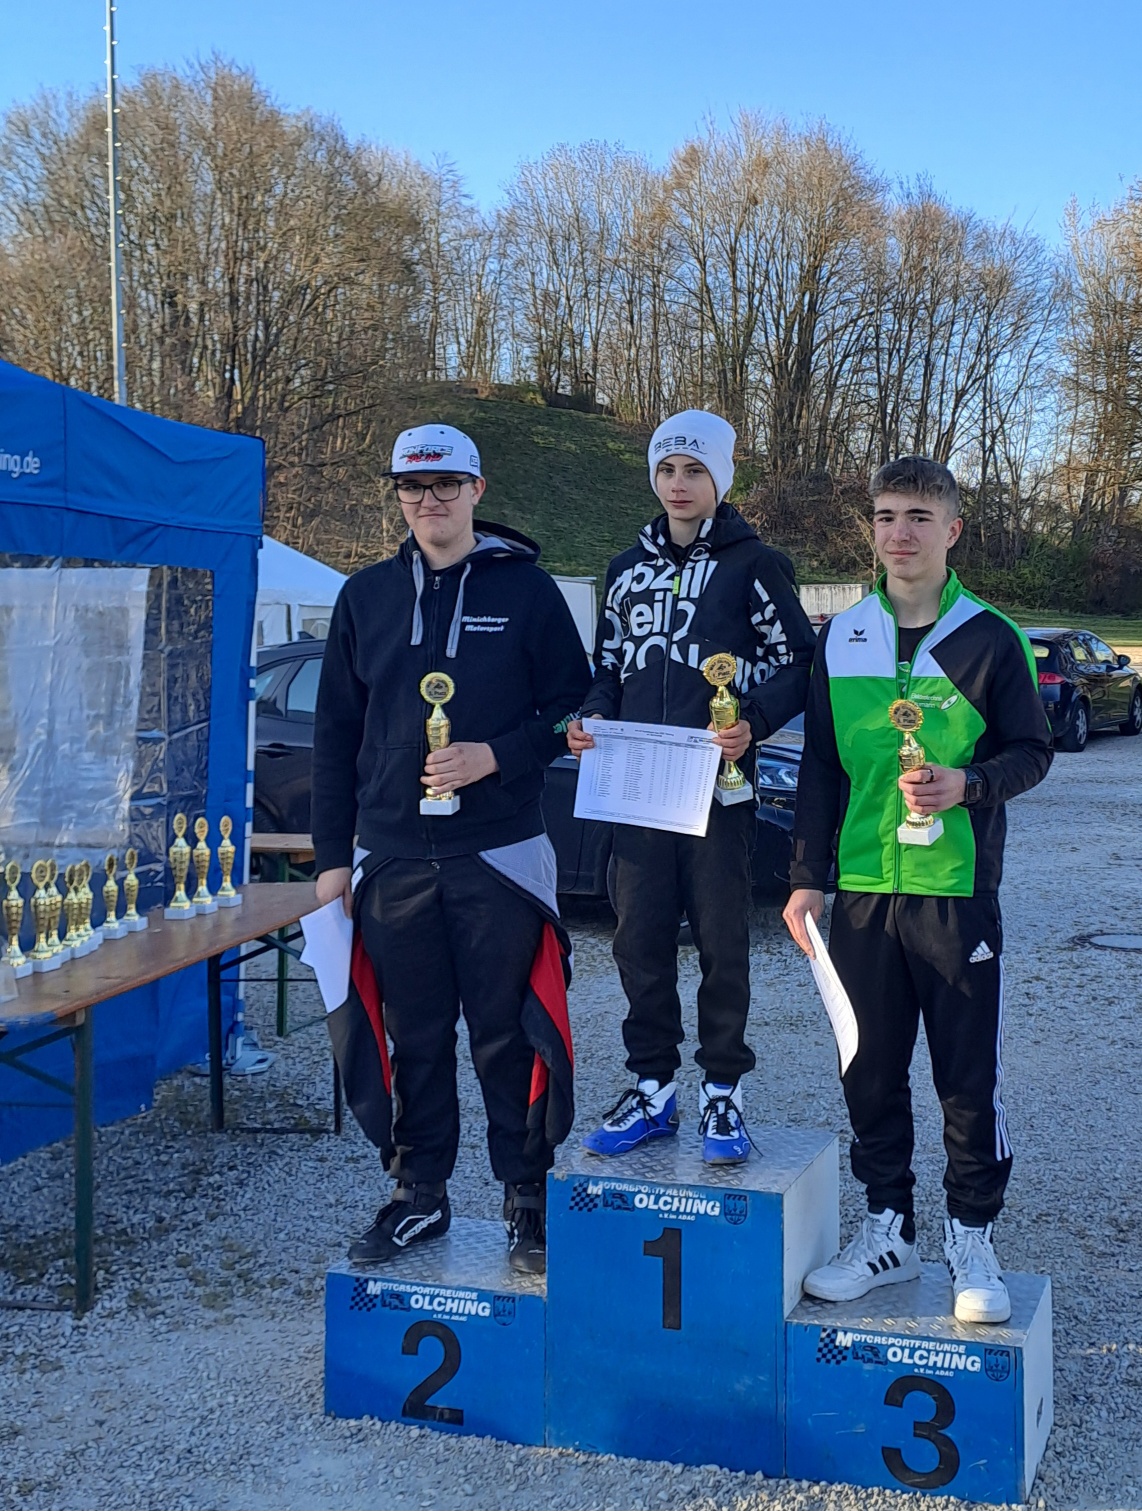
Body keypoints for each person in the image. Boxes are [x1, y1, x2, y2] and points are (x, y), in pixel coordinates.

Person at [312, 423, 590, 1274]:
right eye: (412, 486)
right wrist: (331, 860)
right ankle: (419, 1193)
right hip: (393, 853)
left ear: (477, 489)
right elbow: (335, 736)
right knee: (415, 1034)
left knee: (508, 1033)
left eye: (445, 485)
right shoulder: (364, 596)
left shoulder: (530, 591)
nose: (428, 500)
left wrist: (495, 755)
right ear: (398, 494)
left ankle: (527, 1197)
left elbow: (574, 709)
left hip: (498, 849)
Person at [784, 455, 1052, 1324]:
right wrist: (806, 878)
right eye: (886, 516)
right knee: (868, 1068)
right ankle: (889, 1229)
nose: (899, 532)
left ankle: (971, 1236)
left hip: (954, 890)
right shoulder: (843, 634)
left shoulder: (992, 636)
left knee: (965, 1078)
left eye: (918, 517)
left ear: (953, 530)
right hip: (861, 891)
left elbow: (1033, 751)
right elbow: (820, 767)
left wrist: (968, 784)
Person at [568, 410, 815, 1163]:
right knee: (637, 939)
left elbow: (799, 662)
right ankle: (652, 1086)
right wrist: (590, 715)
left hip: (718, 787)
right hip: (638, 787)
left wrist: (754, 722)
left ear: (721, 479)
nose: (679, 485)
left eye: (696, 471)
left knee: (721, 940)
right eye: (668, 470)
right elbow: (608, 667)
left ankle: (723, 1090)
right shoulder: (624, 569)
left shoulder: (756, 565)